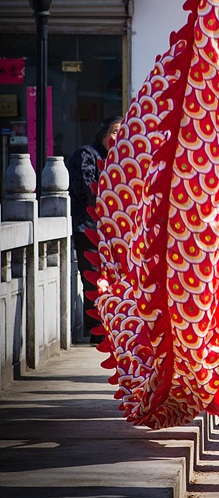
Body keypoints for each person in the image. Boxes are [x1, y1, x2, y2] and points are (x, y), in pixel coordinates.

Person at [67, 114, 123, 343]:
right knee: (93, 277)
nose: (118, 137)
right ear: (103, 133)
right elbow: (88, 191)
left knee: (114, 279)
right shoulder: (86, 155)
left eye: (123, 133)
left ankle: (112, 326)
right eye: (115, 131)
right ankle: (97, 329)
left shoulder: (122, 160)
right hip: (88, 227)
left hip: (113, 233)